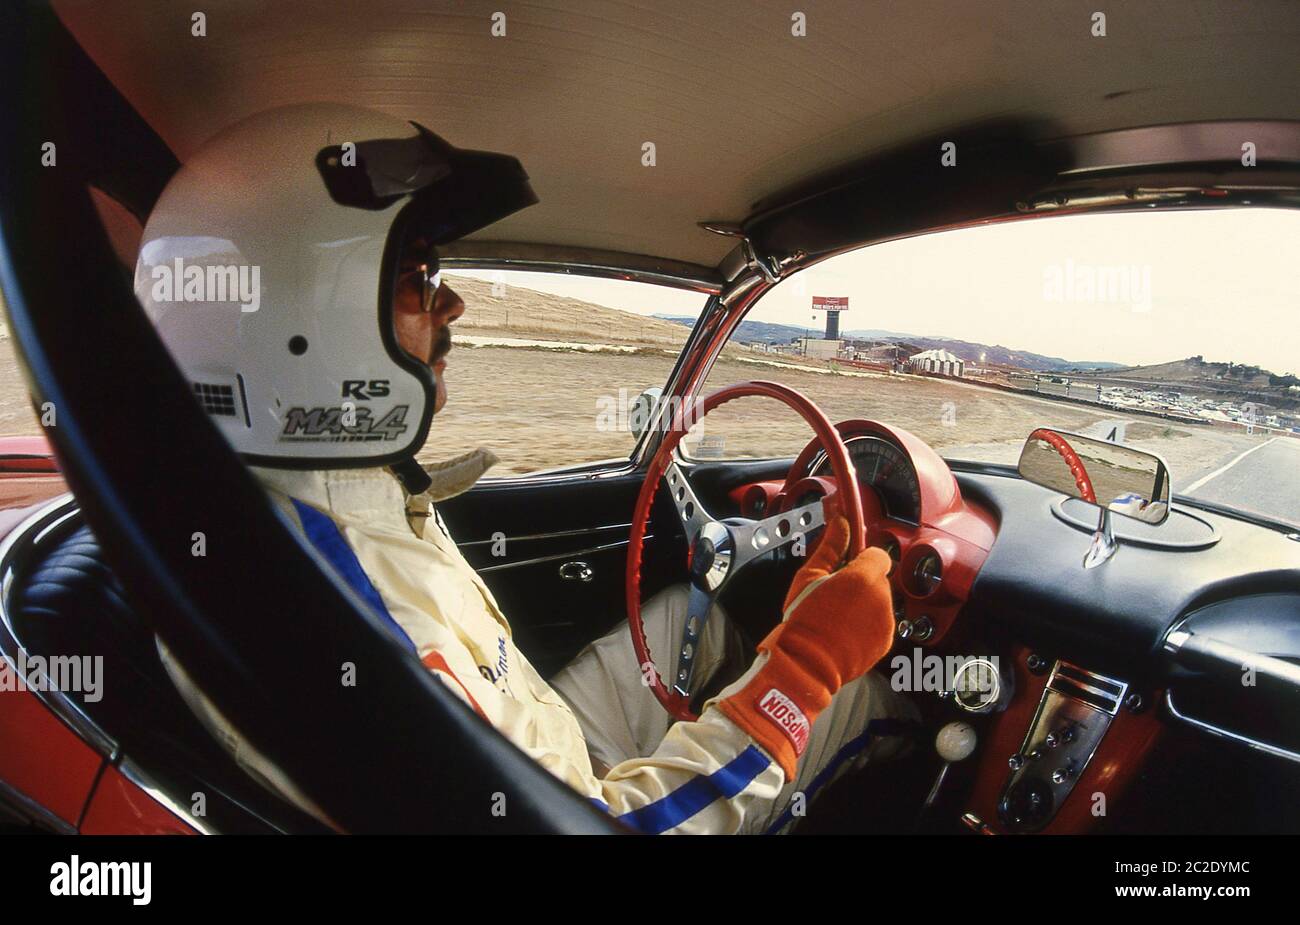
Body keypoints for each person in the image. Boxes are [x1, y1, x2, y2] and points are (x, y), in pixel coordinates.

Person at [138, 103, 915, 834]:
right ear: (307, 320)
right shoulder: (344, 613)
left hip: (541, 764)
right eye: (418, 280)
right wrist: (807, 665)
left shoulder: (322, 497)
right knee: (860, 699)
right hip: (574, 809)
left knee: (695, 617)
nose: (452, 308)